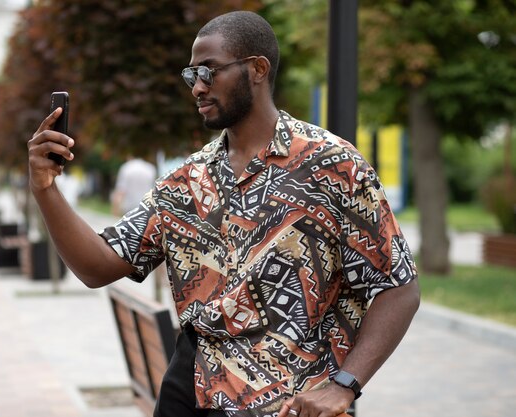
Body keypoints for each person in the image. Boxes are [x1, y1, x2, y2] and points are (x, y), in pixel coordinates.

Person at [27, 10, 420, 417]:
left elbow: (399, 287)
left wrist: (345, 386)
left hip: (290, 401)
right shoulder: (185, 182)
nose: (197, 87)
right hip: (192, 390)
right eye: (191, 75)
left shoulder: (332, 165)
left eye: (209, 72)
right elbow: (98, 266)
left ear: (257, 69)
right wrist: (46, 189)